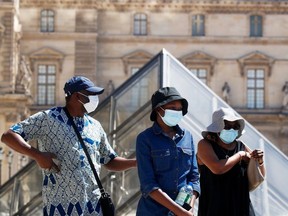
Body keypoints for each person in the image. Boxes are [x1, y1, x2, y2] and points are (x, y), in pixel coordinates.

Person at [1, 76, 137, 216]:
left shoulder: (95, 126)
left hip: (93, 209)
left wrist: (135, 163)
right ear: (77, 96)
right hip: (60, 209)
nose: (95, 98)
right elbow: (9, 136)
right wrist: (37, 155)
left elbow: (109, 160)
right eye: (91, 94)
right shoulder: (48, 118)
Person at [136, 87, 200, 216]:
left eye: (179, 109)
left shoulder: (187, 136)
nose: (177, 112)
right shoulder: (145, 139)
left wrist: (189, 207)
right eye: (172, 108)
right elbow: (148, 184)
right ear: (158, 110)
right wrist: (178, 211)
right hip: (152, 212)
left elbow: (194, 178)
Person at [197, 107, 265, 216]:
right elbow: (218, 168)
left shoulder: (241, 145)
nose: (231, 130)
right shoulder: (205, 145)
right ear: (217, 128)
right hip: (214, 208)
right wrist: (240, 155)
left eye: (235, 126)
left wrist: (259, 161)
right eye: (227, 126)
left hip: (242, 208)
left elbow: (260, 176)